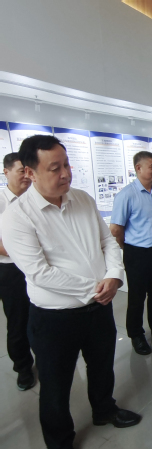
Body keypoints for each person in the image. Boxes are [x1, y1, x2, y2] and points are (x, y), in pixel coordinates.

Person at [3, 135, 141, 449]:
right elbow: (39, 272)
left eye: (67, 164)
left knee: (102, 366)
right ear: (30, 172)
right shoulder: (16, 216)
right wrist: (97, 288)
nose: (65, 173)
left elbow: (107, 241)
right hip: (54, 319)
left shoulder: (82, 199)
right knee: (56, 384)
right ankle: (60, 440)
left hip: (98, 309)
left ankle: (104, 410)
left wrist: (114, 276)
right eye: (55, 168)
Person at [110, 151, 152, 356]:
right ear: (138, 168)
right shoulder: (126, 195)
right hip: (137, 254)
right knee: (137, 297)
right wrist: (128, 248)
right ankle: (136, 334)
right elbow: (116, 229)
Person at [0, 153, 34, 391]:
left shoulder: (35, 198)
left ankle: (49, 356)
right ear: (6, 172)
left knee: (44, 315)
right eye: (21, 171)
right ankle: (23, 367)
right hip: (11, 270)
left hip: (38, 267)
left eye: (28, 170)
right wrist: (25, 252)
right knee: (18, 320)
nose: (26, 176)